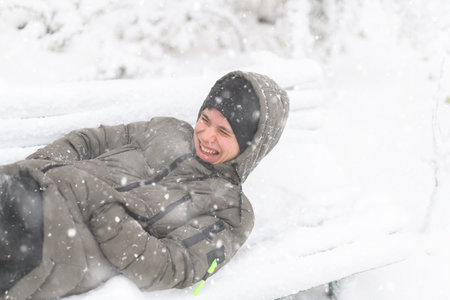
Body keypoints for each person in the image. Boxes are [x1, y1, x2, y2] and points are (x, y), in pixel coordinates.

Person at [0, 71, 289, 300]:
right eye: (205, 119)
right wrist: (40, 167)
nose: (207, 136)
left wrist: (101, 206)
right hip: (28, 191)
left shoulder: (230, 211)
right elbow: (90, 141)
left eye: (224, 131)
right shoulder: (166, 130)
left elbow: (170, 267)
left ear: (251, 146)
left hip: (58, 246)